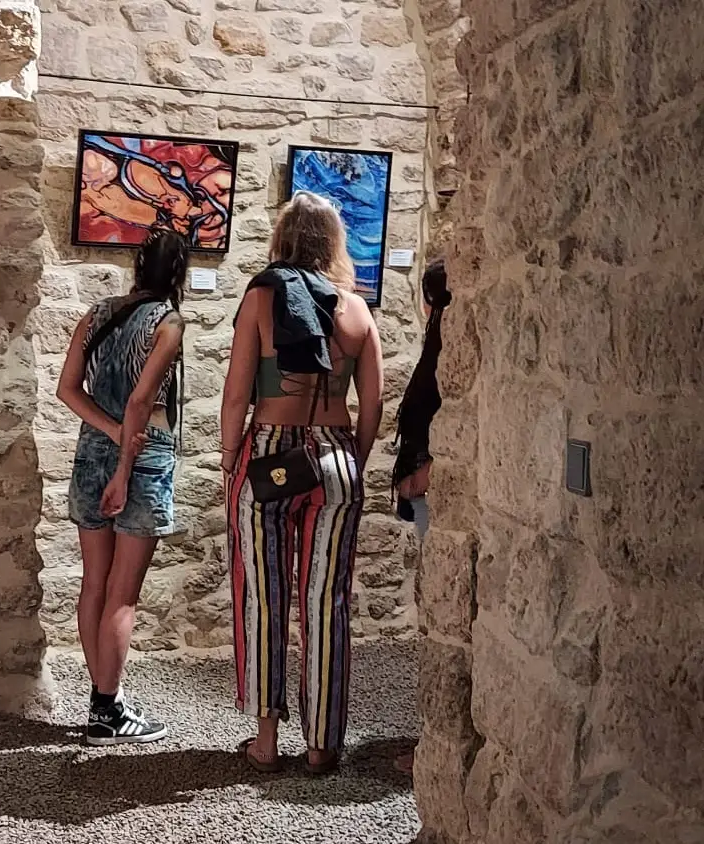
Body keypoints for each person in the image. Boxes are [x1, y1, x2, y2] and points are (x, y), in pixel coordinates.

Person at [219, 191, 384, 774]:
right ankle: (321, 745)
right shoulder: (357, 311)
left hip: (269, 454)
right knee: (326, 602)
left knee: (262, 598)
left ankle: (266, 742)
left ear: (282, 240)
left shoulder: (262, 298)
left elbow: (237, 394)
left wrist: (229, 459)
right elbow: (372, 406)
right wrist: (353, 458)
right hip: (336, 455)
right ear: (334, 243)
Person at [56, 229, 188, 745]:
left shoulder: (96, 314)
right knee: (122, 594)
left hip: (91, 451)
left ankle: (102, 701)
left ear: (137, 266)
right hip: (142, 459)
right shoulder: (168, 322)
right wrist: (124, 467)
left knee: (94, 583)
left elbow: (69, 389)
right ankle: (108, 711)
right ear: (178, 273)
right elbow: (140, 402)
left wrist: (108, 435)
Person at [389, 258, 451, 776]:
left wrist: (423, 472)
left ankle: (435, 744)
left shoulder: (447, 345)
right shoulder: (443, 343)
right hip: (431, 492)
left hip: (437, 493)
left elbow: (440, 415)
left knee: (441, 612)